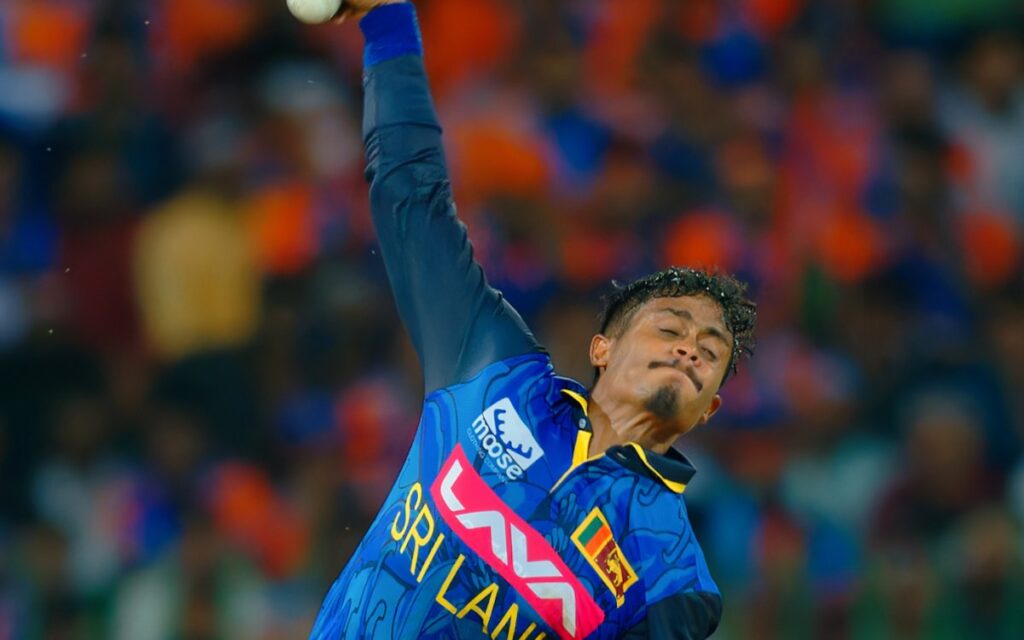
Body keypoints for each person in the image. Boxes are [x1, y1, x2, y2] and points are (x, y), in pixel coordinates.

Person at [310, 2, 756, 638]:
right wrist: (386, 21)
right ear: (602, 348)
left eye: (710, 352)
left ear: (709, 409)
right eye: (670, 327)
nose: (690, 348)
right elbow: (411, 198)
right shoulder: (494, 369)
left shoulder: (672, 576)